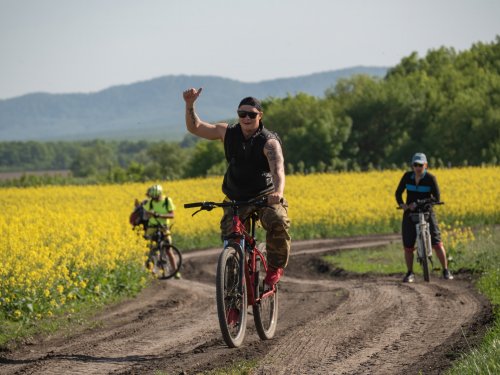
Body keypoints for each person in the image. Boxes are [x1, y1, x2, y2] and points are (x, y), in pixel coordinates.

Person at [182, 87, 291, 288]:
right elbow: (195, 127)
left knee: (278, 220)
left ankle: (274, 268)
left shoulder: (269, 142)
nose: (246, 118)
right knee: (231, 240)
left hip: (264, 196)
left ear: (260, 116)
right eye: (242, 114)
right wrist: (190, 104)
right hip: (235, 198)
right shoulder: (227, 133)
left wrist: (278, 193)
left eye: (251, 114)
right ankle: (233, 297)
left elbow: (278, 170)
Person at [395, 153, 453, 282]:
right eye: (415, 165)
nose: (418, 167)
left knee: (437, 242)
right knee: (408, 245)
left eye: (420, 165)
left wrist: (420, 202)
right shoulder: (406, 177)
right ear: (412, 166)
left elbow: (436, 198)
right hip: (410, 213)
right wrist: (402, 204)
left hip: (427, 212)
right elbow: (398, 193)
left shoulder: (431, 178)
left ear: (425, 165)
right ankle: (410, 273)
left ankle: (446, 270)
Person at [143, 184, 181, 279]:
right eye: (152, 197)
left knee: (169, 250)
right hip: (152, 227)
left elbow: (172, 215)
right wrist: (149, 214)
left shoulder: (167, 201)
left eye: (155, 197)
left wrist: (158, 215)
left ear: (159, 195)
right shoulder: (150, 202)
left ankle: (175, 271)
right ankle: (151, 270)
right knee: (150, 249)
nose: (154, 199)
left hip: (164, 227)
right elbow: (146, 215)